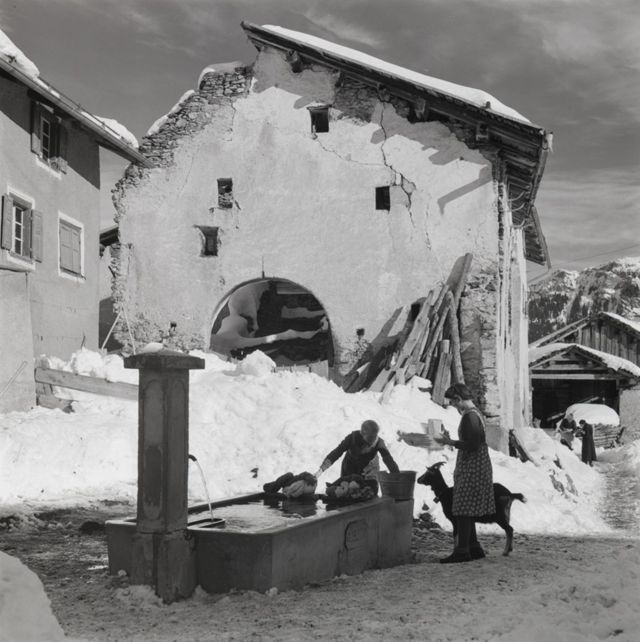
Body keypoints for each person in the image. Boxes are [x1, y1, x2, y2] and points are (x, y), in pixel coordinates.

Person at [434, 383, 495, 563]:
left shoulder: (470, 417)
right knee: (466, 508)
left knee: (462, 508)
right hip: (476, 464)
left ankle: (462, 550)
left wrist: (451, 442)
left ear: (459, 399)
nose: (453, 405)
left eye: (453, 402)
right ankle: (474, 547)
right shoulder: (475, 413)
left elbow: (473, 444)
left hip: (473, 466)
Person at [315, 420, 399, 482]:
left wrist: (396, 474)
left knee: (368, 493)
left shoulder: (379, 443)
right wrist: (321, 469)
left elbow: (388, 459)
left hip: (370, 470)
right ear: (362, 435)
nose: (368, 446)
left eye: (371, 444)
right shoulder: (352, 438)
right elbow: (337, 452)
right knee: (346, 492)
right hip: (350, 468)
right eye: (366, 443)